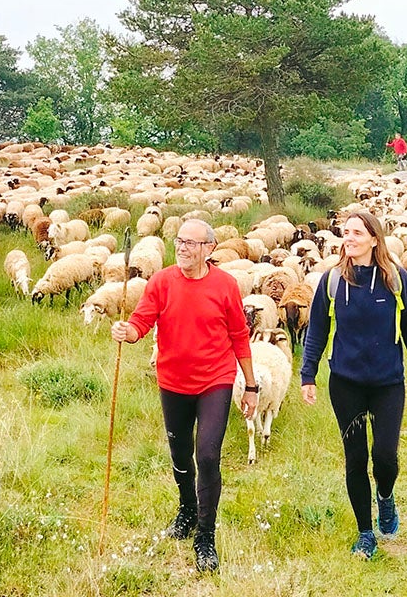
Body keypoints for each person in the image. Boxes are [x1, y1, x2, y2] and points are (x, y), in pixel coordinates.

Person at [110, 219, 257, 573]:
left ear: (209, 248)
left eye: (192, 243)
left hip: (215, 380)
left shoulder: (225, 286)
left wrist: (251, 386)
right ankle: (187, 509)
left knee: (206, 455)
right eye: (180, 241)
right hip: (173, 380)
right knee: (180, 456)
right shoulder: (162, 282)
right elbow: (142, 322)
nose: (183, 248)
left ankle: (205, 535)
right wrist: (126, 330)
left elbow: (239, 336)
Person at [299, 211, 407, 560]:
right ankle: (365, 532)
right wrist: (307, 375)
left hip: (388, 382)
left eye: (357, 232)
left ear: (374, 239)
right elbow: (317, 332)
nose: (349, 237)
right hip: (346, 383)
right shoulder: (332, 281)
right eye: (346, 232)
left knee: (384, 457)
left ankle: (385, 497)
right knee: (355, 458)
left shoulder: (395, 279)